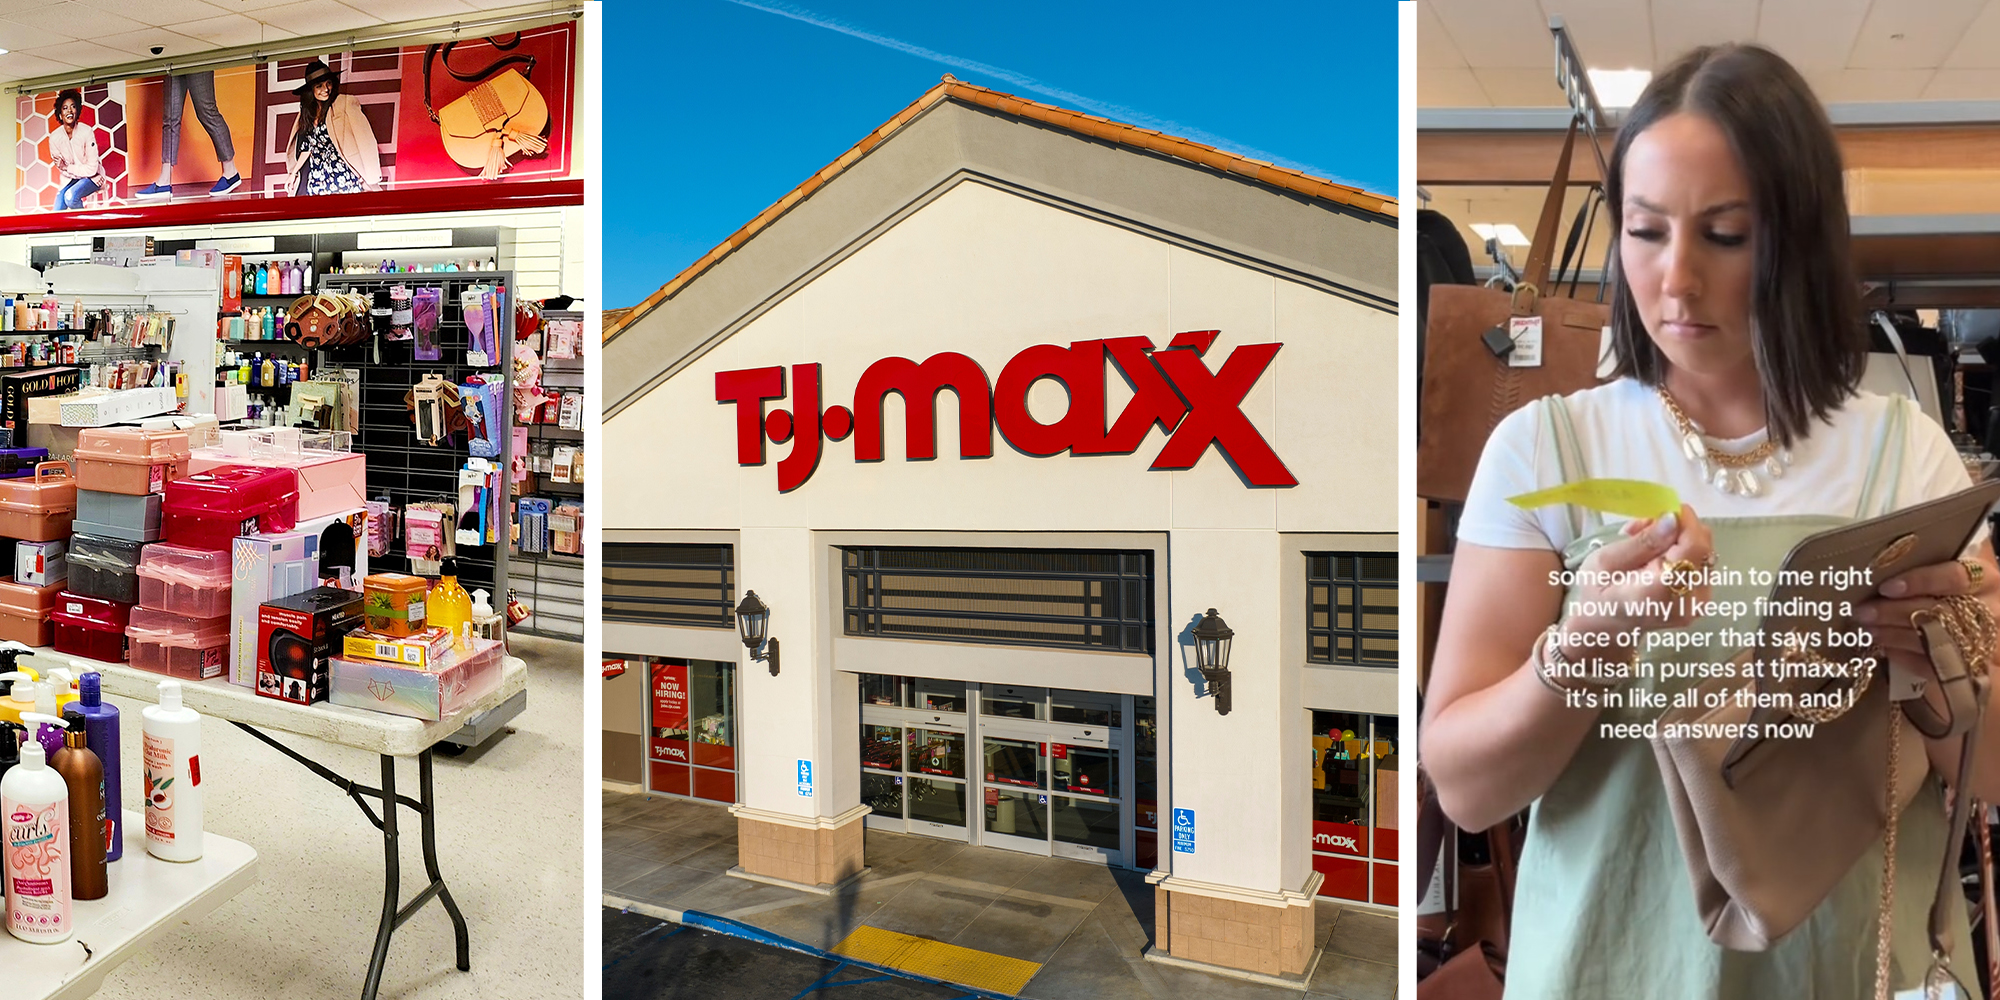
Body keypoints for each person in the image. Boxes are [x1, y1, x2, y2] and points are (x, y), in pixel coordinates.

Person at [1421, 43, 2000, 998]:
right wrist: (1585, 650)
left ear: (1800, 242)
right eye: (1645, 233)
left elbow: (1984, 776)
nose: (1675, 280)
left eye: (1726, 236)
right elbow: (1469, 787)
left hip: (1853, 966)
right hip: (1610, 965)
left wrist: (1949, 652)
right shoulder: (1547, 453)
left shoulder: (1906, 457)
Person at [135, 71, 241, 198]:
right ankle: (164, 181)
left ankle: (231, 172)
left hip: (197, 56)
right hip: (173, 57)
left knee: (206, 111)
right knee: (170, 118)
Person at [284, 59, 381, 196]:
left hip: (340, 173)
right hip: (317, 177)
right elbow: (308, 147)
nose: (326, 89)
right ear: (311, 91)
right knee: (319, 215)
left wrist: (369, 177)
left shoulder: (344, 103)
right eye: (319, 86)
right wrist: (293, 174)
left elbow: (365, 139)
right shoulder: (307, 113)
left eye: (328, 83)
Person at [48, 89, 106, 211]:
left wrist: (92, 175)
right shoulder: (54, 138)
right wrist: (87, 174)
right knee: (56, 211)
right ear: (60, 114)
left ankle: (85, 227)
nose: (69, 110)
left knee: (70, 197)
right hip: (71, 179)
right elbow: (62, 169)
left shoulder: (87, 131)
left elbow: (91, 167)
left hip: (94, 177)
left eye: (73, 107)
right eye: (65, 108)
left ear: (77, 111)